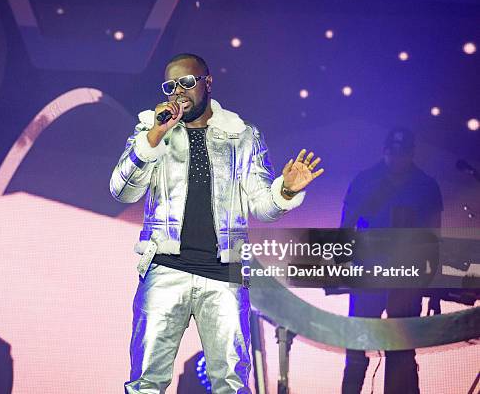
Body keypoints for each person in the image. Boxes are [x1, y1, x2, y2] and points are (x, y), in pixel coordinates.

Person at [110, 53, 323, 393]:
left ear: (207, 83)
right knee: (145, 382)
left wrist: (284, 190)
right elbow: (121, 191)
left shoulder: (242, 136)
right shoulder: (151, 132)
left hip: (224, 275)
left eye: (187, 82)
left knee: (231, 383)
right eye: (170, 85)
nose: (178, 92)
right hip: (165, 269)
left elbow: (262, 206)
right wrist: (153, 138)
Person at [340, 128, 443, 394]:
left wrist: (432, 290)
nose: (398, 158)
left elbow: (433, 239)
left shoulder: (425, 186)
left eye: (403, 152)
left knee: (401, 352)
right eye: (393, 151)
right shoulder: (366, 181)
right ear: (385, 151)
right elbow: (346, 227)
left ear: (411, 153)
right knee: (357, 347)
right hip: (368, 276)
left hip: (406, 280)